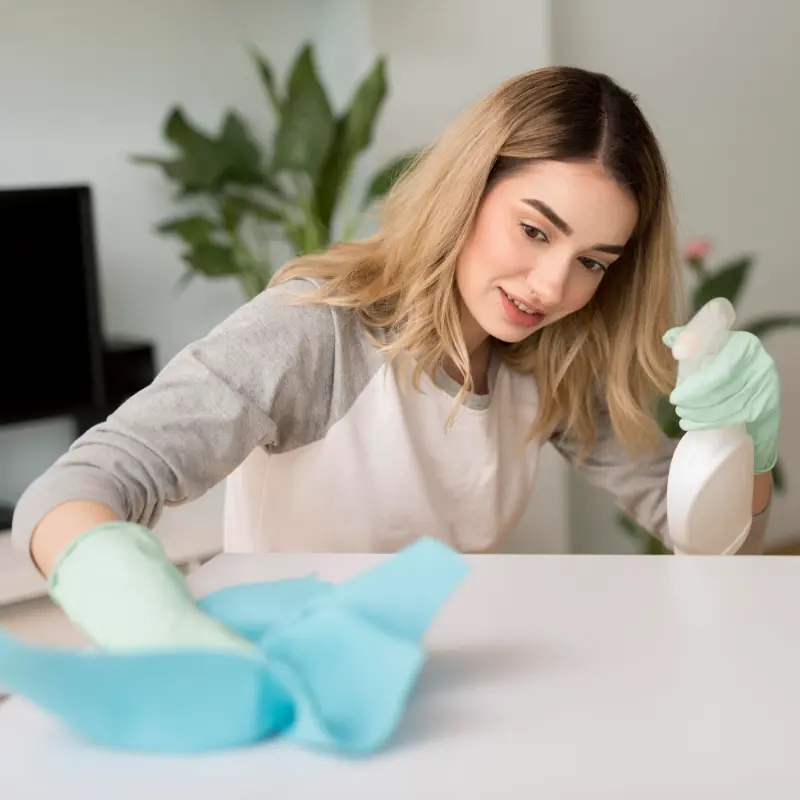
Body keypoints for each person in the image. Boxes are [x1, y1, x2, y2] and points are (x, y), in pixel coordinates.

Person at [11, 66, 780, 654]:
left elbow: (715, 542)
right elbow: (68, 493)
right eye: (535, 230)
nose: (553, 287)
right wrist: (141, 609)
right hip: (298, 676)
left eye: (593, 262)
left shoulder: (549, 355)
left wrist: (741, 446)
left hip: (448, 679)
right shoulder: (317, 332)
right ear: (467, 190)